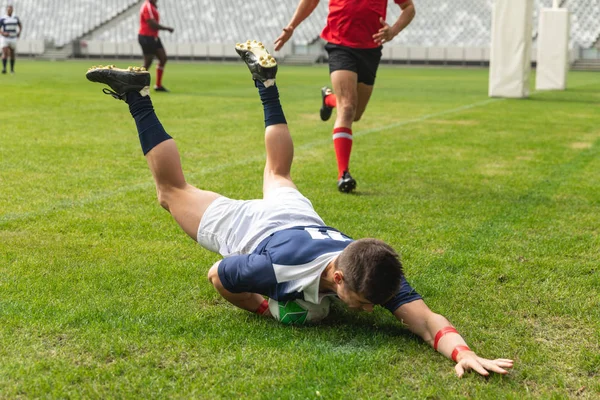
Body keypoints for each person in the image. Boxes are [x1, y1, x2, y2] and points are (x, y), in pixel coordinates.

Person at [85, 42, 513, 378]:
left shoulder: (371, 267)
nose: (366, 310)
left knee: (278, 169)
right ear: (339, 277)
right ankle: (138, 95)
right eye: (361, 303)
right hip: (254, 230)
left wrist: (464, 352)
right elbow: (218, 276)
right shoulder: (279, 273)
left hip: (304, 221)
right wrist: (267, 308)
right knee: (172, 190)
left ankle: (267, 83)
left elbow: (424, 320)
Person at [274, 0, 416, 193]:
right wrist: (291, 26)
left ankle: (329, 99)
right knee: (347, 108)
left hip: (371, 49)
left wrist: (393, 31)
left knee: (355, 113)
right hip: (340, 45)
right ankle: (344, 174)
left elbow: (409, 7)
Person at [138, 0, 174, 92]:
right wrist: (166, 28)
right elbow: (151, 23)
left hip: (153, 37)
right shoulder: (148, 6)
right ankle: (135, 83)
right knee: (148, 62)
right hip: (146, 37)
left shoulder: (152, 6)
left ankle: (158, 85)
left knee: (163, 58)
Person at [0, 4, 21, 74]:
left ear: (12, 10)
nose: (10, 10)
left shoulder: (15, 18)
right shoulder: (3, 18)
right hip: (5, 38)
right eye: (8, 9)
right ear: (7, 10)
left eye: (11, 9)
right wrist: (2, 33)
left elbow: (20, 25)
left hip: (13, 37)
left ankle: (12, 69)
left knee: (12, 53)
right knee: (5, 52)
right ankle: (4, 68)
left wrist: (19, 33)